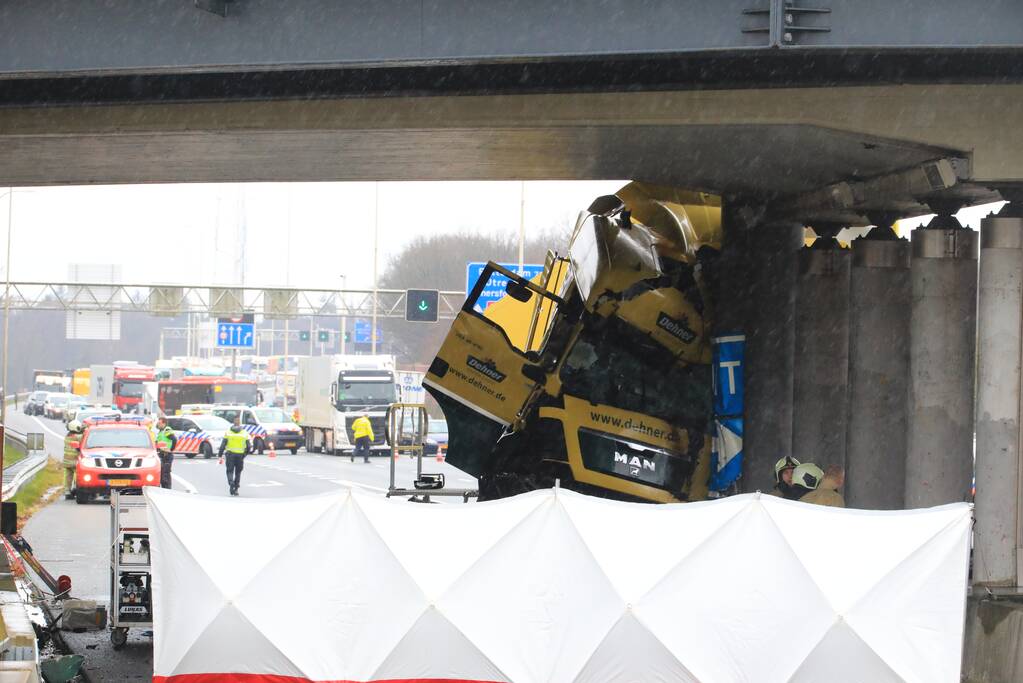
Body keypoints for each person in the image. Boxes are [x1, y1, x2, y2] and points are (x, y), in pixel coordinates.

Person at [218, 420, 252, 496]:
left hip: (230, 455)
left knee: (229, 471)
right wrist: (244, 454)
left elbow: (223, 445)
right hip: (240, 455)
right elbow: (249, 446)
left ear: (232, 425)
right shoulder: (244, 433)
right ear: (240, 425)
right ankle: (236, 489)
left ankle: (231, 483)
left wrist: (220, 455)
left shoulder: (228, 432)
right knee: (238, 472)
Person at [154, 417, 178, 489]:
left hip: (167, 455)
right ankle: (164, 489)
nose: (158, 424)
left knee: (165, 474)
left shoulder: (167, 429)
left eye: (159, 423)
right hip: (161, 454)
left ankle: (167, 490)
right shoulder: (161, 431)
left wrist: (171, 449)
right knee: (161, 474)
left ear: (164, 423)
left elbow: (174, 439)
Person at [63, 420, 83, 499]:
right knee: (78, 477)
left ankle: (67, 492)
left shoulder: (67, 436)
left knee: (68, 477)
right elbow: (83, 436)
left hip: (67, 461)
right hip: (75, 461)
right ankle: (76, 489)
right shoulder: (78, 437)